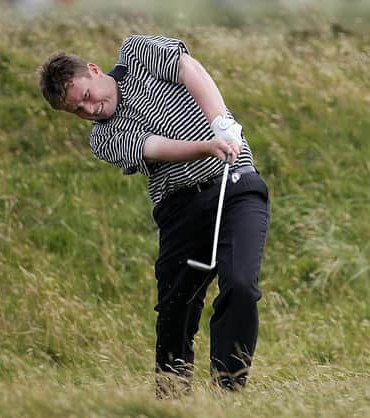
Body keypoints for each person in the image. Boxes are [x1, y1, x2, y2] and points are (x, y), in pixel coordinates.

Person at [38, 35, 271, 397]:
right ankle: (170, 402)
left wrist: (220, 122)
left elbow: (190, 70)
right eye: (78, 111)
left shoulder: (137, 52)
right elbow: (156, 147)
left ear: (94, 71)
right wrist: (208, 145)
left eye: (86, 97)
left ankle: (228, 394)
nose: (90, 110)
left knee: (241, 285)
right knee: (175, 313)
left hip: (236, 185)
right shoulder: (103, 138)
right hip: (180, 209)